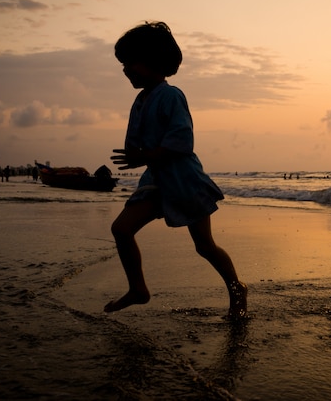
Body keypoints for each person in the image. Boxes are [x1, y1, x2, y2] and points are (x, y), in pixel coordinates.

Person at [105, 21, 247, 318]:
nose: (125, 69)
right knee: (121, 229)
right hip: (156, 179)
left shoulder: (171, 95)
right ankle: (138, 289)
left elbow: (182, 142)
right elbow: (137, 145)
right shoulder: (141, 99)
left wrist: (143, 156)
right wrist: (139, 156)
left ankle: (237, 289)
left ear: (154, 62)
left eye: (130, 62)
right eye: (123, 63)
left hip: (184, 180)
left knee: (205, 246)